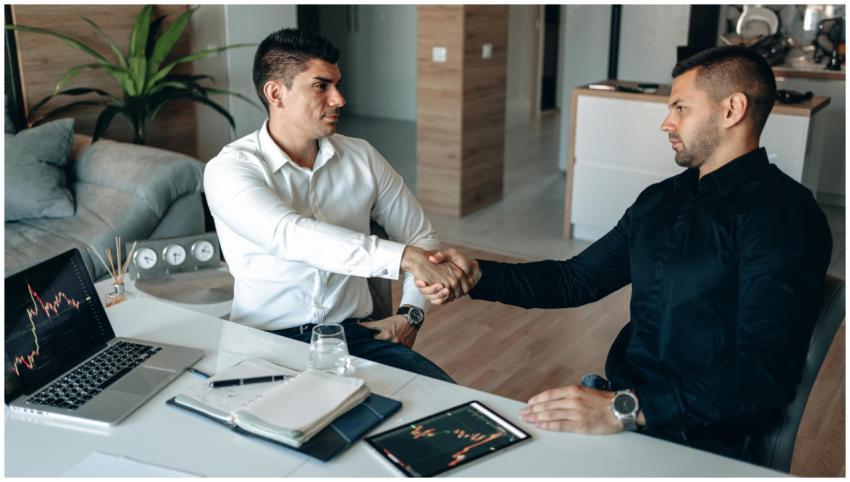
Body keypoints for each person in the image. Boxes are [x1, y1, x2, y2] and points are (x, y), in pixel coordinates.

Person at [417, 46, 832, 459]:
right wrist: (476, 275)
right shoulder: (661, 200)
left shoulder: (785, 216)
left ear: (732, 110)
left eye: (681, 108)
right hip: (623, 406)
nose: (666, 123)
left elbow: (763, 372)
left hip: (702, 437)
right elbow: (574, 280)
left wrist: (623, 410)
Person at [205, 28, 467, 382]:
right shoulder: (229, 169)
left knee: (447, 404)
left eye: (337, 84)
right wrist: (404, 257)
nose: (339, 99)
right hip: (263, 344)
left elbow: (421, 236)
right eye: (321, 86)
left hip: (354, 338)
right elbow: (290, 235)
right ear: (276, 93)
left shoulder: (362, 157)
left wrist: (411, 315)